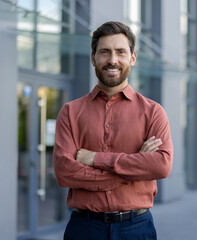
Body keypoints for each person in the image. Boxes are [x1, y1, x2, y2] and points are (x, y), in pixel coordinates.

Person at [53, 21, 173, 240]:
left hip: (136, 228)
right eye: (105, 52)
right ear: (93, 58)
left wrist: (96, 159)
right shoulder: (70, 112)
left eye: (120, 52)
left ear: (133, 58)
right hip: (85, 229)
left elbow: (162, 166)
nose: (112, 60)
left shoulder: (153, 112)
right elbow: (65, 173)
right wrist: (134, 167)